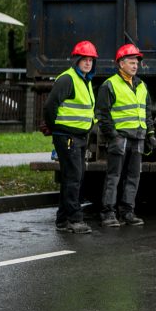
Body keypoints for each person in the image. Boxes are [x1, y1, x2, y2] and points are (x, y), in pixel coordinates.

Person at [95, 43, 156, 227]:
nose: (135, 65)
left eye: (136, 62)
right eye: (131, 62)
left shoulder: (141, 86)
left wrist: (150, 134)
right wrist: (113, 135)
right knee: (114, 176)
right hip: (120, 138)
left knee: (133, 177)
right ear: (121, 64)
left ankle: (127, 212)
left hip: (138, 137)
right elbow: (102, 114)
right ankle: (108, 214)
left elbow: (147, 113)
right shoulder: (110, 85)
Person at [42, 40, 98, 234]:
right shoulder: (68, 79)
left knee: (73, 177)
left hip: (78, 136)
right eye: (84, 59)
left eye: (91, 60)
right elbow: (50, 106)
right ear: (76, 60)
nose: (88, 63)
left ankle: (63, 219)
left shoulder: (85, 80)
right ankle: (75, 219)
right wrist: (53, 127)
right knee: (74, 177)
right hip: (67, 136)